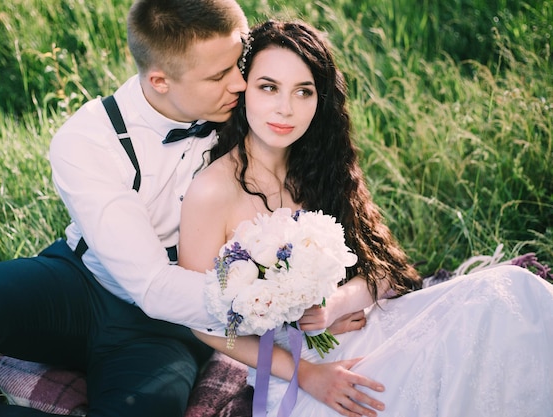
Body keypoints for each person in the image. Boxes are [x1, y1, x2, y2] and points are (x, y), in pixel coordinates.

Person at [178, 19, 553, 417]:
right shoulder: (211, 192)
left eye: (303, 91)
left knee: (513, 292)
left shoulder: (320, 166)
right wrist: (307, 374)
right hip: (296, 370)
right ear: (244, 88)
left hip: (365, 328)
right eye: (268, 87)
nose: (285, 108)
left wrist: (335, 304)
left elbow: (389, 270)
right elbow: (203, 324)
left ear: (320, 99)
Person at [0, 1, 252, 417]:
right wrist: (262, 304)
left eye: (238, 64)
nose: (240, 84)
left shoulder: (249, 114)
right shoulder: (87, 138)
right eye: (219, 75)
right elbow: (151, 285)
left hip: (165, 328)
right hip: (77, 285)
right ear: (160, 80)